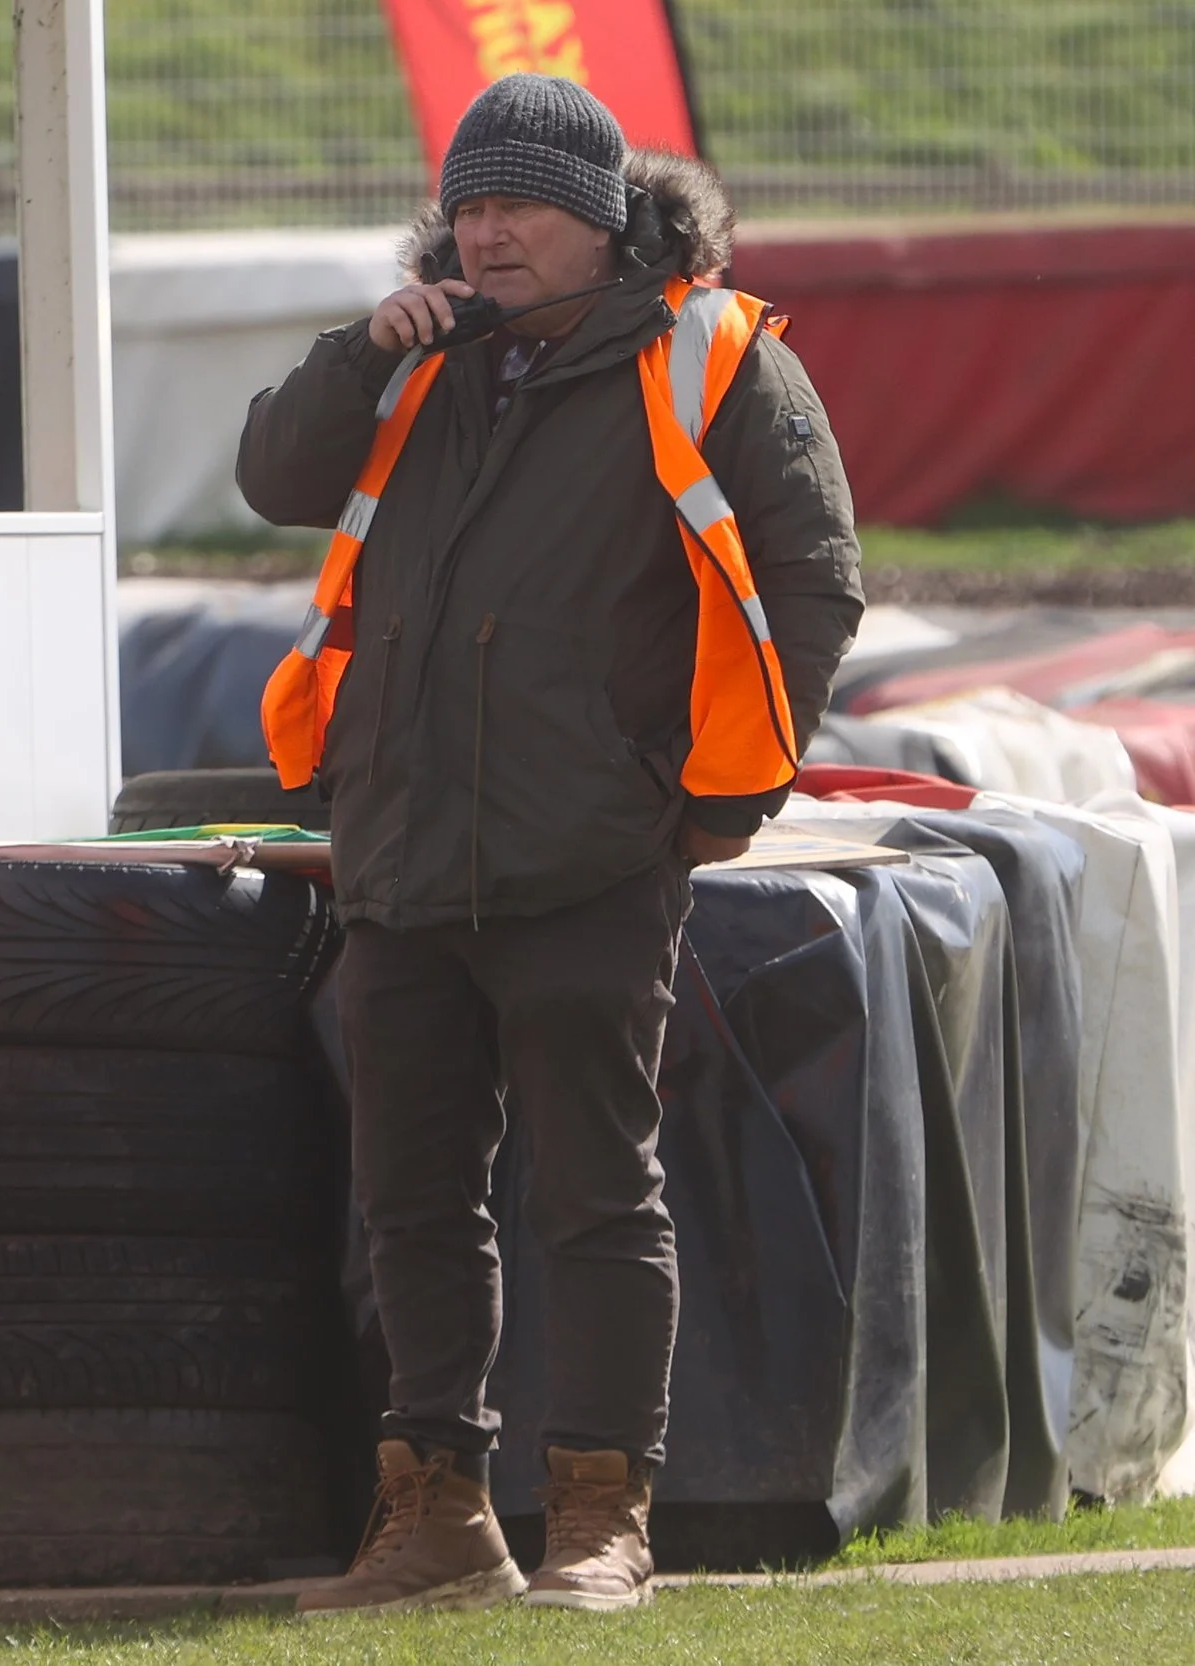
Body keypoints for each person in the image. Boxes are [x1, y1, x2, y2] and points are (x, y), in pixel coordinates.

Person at [238, 74, 861, 1614]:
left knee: (596, 1192)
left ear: (603, 221)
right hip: (396, 852)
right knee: (412, 1202)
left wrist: (704, 806)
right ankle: (436, 1516)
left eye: (520, 204)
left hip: (593, 856)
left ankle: (600, 1521)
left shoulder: (721, 356)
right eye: (471, 201)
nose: (489, 228)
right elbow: (270, 480)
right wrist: (350, 355)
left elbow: (818, 588)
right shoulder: (414, 358)